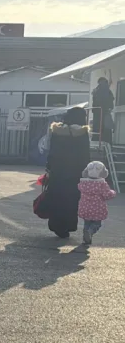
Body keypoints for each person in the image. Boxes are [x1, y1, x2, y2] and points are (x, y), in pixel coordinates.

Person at [45, 106, 91, 238]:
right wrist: (86, 171)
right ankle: (68, 225)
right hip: (75, 173)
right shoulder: (82, 133)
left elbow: (52, 151)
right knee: (71, 200)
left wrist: (49, 167)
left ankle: (56, 225)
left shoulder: (57, 131)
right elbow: (85, 154)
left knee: (57, 197)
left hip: (57, 171)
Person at [78, 161, 117, 246]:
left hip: (85, 207)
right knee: (97, 224)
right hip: (97, 208)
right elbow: (107, 195)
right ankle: (90, 232)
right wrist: (113, 192)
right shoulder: (102, 184)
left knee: (87, 223)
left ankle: (86, 239)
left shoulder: (83, 183)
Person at [92, 77, 116, 144]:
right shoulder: (102, 90)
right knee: (105, 131)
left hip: (99, 114)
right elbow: (110, 101)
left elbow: (110, 101)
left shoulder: (97, 90)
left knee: (100, 131)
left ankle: (101, 144)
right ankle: (106, 146)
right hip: (102, 113)